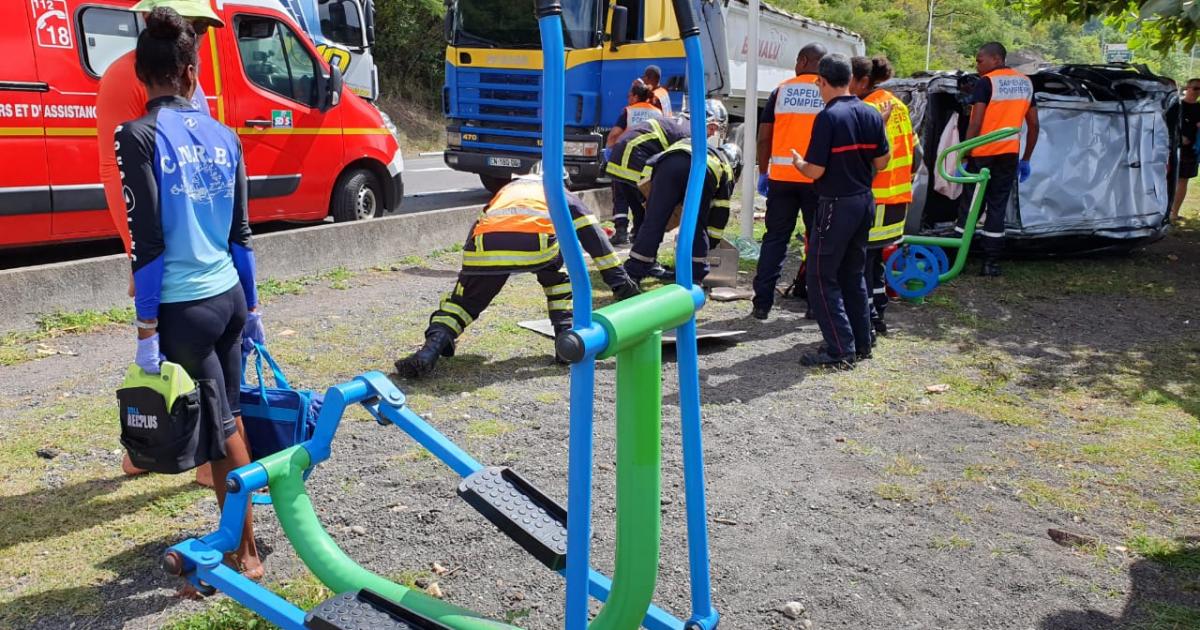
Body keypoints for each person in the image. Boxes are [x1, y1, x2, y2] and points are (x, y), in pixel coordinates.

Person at [117, 6, 262, 582]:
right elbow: (242, 235)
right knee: (228, 418)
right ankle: (239, 538)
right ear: (190, 72)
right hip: (228, 296)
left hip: (185, 309)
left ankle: (243, 553)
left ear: (140, 74)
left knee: (221, 431)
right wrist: (252, 310)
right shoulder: (224, 135)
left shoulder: (138, 136)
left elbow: (146, 244)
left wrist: (146, 331)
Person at [98, 0, 223, 486]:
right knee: (172, 344)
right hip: (159, 242)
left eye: (206, 32)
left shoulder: (189, 79)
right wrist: (138, 255)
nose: (204, 41)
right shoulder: (122, 78)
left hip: (197, 245)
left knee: (185, 345)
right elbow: (114, 171)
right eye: (198, 30)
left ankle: (169, 448)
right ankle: (158, 449)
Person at [394, 175, 641, 378]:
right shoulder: (557, 190)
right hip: (538, 245)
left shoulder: (506, 192)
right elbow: (593, 236)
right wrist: (621, 283)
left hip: (483, 247)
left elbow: (478, 227)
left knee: (463, 304)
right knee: (557, 279)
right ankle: (565, 342)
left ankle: (430, 349)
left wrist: (469, 277)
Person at [789, 53, 891, 368]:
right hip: (864, 201)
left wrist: (798, 163)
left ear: (821, 81)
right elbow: (882, 162)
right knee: (853, 273)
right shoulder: (872, 113)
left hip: (836, 204)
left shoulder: (828, 117)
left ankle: (839, 349)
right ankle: (862, 343)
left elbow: (815, 171)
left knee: (820, 277)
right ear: (849, 79)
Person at [623, 101, 741, 285]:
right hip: (699, 169)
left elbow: (653, 166)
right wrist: (712, 243)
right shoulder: (724, 165)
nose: (712, 134)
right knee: (697, 222)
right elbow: (719, 214)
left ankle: (635, 270)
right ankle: (695, 276)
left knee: (654, 220)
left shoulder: (686, 140)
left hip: (666, 163)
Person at [750, 43, 827, 321]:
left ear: (803, 60)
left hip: (781, 179)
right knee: (816, 240)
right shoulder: (828, 91)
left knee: (775, 240)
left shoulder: (780, 91)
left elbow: (763, 137)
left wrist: (763, 171)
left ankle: (761, 303)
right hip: (816, 179)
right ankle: (813, 304)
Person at [958, 42, 1038, 277]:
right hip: (1009, 155)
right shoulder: (1025, 83)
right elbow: (1033, 125)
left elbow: (976, 121)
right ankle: (991, 263)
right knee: (997, 206)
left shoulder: (987, 82)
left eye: (980, 60)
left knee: (971, 205)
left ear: (995, 59)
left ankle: (958, 258)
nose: (977, 65)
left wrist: (963, 152)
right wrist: (1026, 158)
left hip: (982, 153)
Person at [852, 56, 915, 337]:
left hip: (875, 199)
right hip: (898, 201)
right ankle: (879, 315)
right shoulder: (899, 106)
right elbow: (918, 154)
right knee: (875, 262)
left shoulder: (866, 109)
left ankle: (867, 320)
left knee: (861, 264)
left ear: (863, 81)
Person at [606, 79, 664, 245]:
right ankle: (639, 231)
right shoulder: (658, 113)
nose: (627, 99)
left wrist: (611, 151)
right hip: (649, 162)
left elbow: (613, 137)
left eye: (629, 96)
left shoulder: (629, 112)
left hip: (625, 158)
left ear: (635, 97)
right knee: (642, 197)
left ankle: (621, 232)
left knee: (620, 196)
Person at [1171, 78, 1200, 223]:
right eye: (1195, 88)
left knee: (1183, 181)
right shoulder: (1176, 106)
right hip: (1172, 148)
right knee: (1167, 180)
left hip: (1190, 151)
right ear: (1187, 88)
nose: (1197, 92)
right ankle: (1162, 211)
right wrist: (1178, 137)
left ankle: (1174, 213)